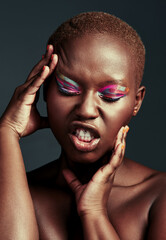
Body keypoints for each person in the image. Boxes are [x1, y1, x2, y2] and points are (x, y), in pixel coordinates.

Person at [0, 11, 166, 240]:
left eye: (110, 95)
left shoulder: (159, 196)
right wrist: (7, 131)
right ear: (45, 89)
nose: (86, 109)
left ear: (136, 102)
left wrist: (94, 213)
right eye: (69, 88)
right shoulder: (19, 192)